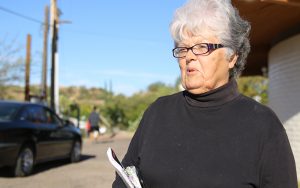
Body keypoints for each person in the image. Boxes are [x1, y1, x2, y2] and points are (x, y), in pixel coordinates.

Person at [113, 0, 298, 187]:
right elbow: (124, 177)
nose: (189, 57)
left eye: (202, 47)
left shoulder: (263, 125)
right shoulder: (157, 112)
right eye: (183, 48)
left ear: (232, 56)